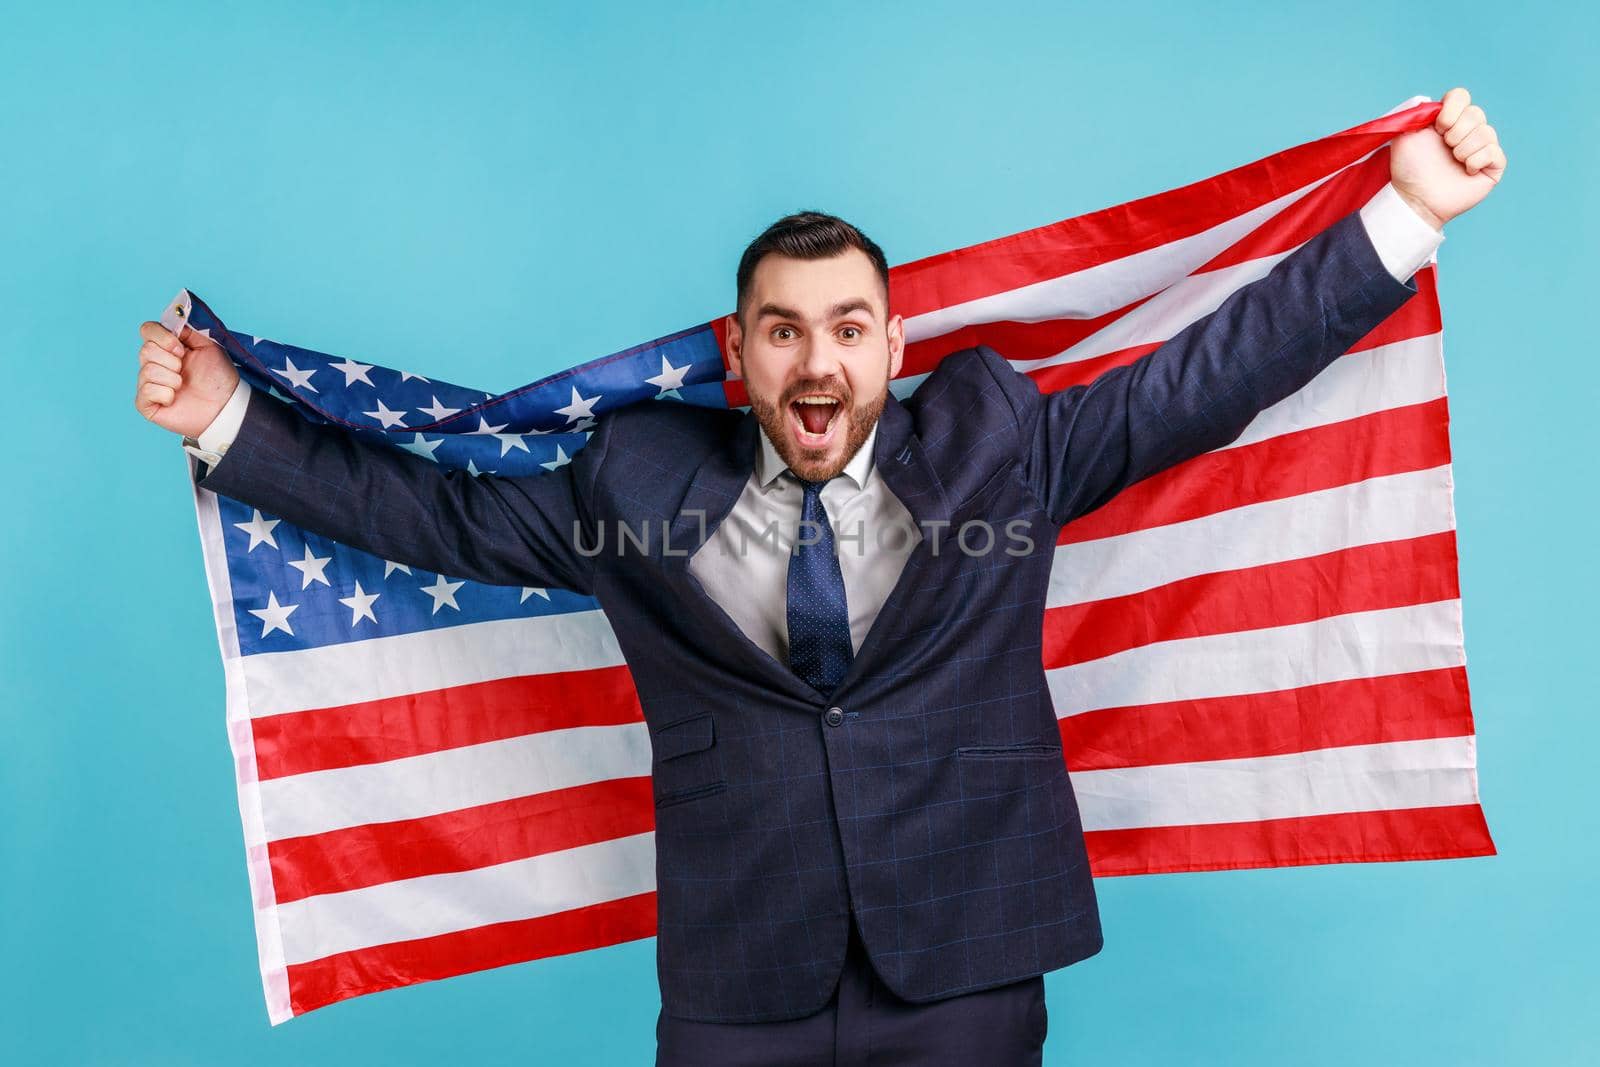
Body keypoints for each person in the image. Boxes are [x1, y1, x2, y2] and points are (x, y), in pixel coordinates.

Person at [134, 88, 1502, 1065]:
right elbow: (436, 517)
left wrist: (1405, 221)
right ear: (742, 355)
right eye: (783, 332)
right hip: (743, 990)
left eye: (847, 327)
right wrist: (224, 423)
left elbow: (1203, 380)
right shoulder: (637, 487)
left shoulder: (999, 443)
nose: (815, 362)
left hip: (964, 968)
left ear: (892, 345)